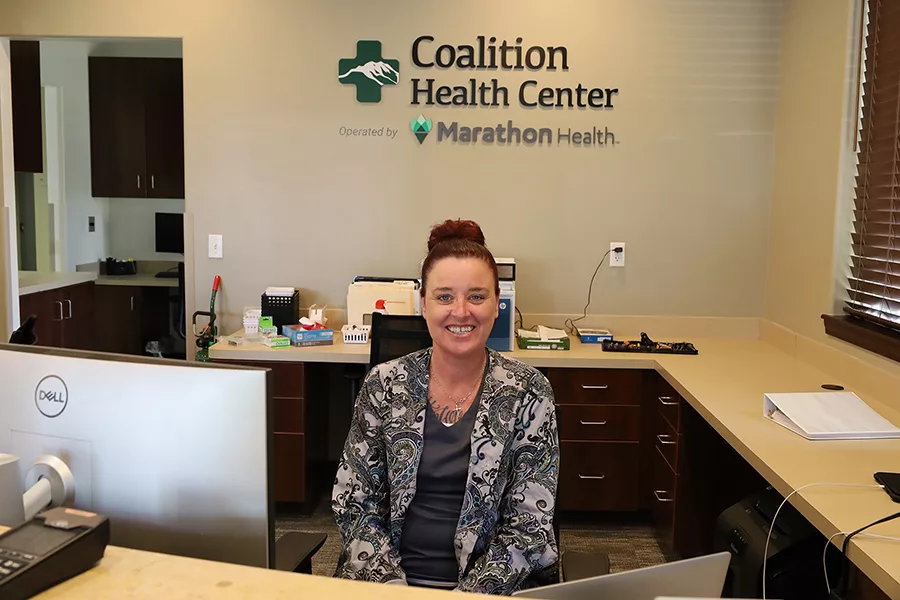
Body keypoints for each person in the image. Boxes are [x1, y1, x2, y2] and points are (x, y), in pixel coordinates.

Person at [332, 218, 560, 596]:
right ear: (423, 304)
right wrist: (393, 588)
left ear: (497, 304)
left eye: (476, 296)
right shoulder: (384, 384)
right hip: (385, 585)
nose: (461, 311)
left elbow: (528, 526)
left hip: (491, 590)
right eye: (444, 297)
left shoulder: (528, 392)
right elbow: (354, 501)